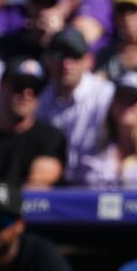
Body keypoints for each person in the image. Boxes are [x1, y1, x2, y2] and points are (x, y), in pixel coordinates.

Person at [38, 27, 115, 183]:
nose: (66, 63)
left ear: (88, 61)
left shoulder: (105, 94)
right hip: (54, 187)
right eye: (59, 55)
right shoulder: (39, 97)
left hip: (98, 185)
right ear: (47, 59)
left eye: (74, 55)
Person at [0, 58, 65, 187]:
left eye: (35, 88)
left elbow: (35, 191)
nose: (27, 94)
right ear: (2, 86)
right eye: (19, 85)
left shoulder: (50, 138)